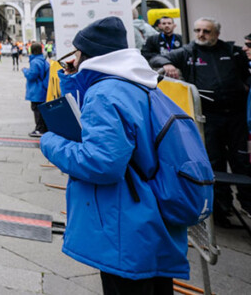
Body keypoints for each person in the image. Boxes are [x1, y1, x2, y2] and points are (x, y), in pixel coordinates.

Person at [41, 17, 189, 294]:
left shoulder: (105, 94)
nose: (73, 58)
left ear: (88, 55)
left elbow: (101, 164)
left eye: (76, 52)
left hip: (125, 221)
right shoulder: (136, 83)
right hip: (150, 216)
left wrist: (50, 142)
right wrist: (74, 80)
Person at [149, 17, 251, 227]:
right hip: (209, 118)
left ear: (216, 33)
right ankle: (222, 210)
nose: (201, 35)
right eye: (197, 30)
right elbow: (155, 59)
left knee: (241, 161)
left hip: (236, 116)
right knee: (215, 162)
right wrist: (167, 63)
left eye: (206, 31)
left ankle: (248, 204)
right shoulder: (188, 51)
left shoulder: (233, 51)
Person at [23, 42, 50, 138]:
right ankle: (44, 128)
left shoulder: (35, 62)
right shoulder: (43, 60)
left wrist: (25, 71)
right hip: (43, 89)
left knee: (37, 110)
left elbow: (32, 76)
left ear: (32, 51)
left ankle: (39, 129)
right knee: (41, 110)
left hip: (37, 90)